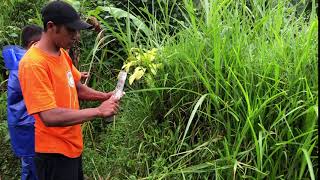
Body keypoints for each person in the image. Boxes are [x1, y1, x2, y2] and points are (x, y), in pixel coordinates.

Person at [18, 1, 122, 179]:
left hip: (72, 146)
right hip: (54, 153)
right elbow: (49, 116)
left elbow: (77, 88)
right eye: (71, 30)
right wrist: (98, 111)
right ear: (52, 27)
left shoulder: (62, 53)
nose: (76, 36)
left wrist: (104, 96)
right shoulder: (33, 64)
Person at [2, 24, 43, 180]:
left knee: (31, 167)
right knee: (34, 170)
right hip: (28, 127)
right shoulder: (25, 66)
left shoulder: (20, 63)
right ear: (33, 44)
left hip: (26, 125)